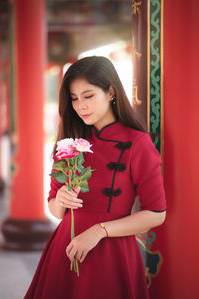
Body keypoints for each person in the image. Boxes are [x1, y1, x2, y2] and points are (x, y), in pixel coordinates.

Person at [24, 56, 166, 299]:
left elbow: (156, 214)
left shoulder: (137, 143)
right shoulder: (70, 142)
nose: (81, 106)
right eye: (75, 99)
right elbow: (56, 211)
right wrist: (60, 199)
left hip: (112, 253)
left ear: (111, 91)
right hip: (65, 251)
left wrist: (99, 231)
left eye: (88, 96)